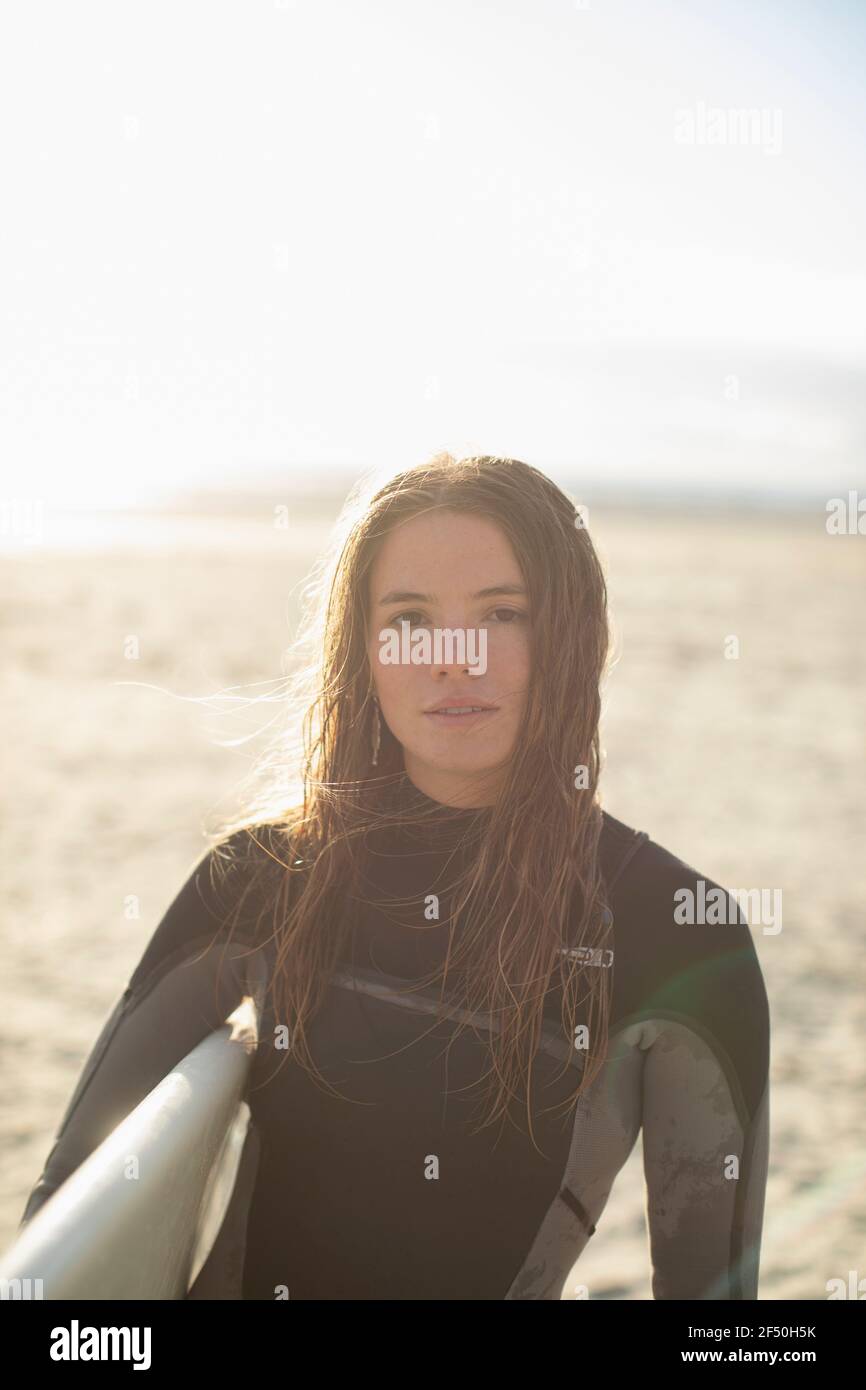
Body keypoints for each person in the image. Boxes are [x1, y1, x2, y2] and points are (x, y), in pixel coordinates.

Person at [19, 453, 770, 1299]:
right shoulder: (260, 880)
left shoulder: (675, 929)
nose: (455, 658)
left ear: (573, 634)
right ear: (362, 652)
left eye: (502, 614)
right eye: (412, 620)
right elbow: (67, 1214)